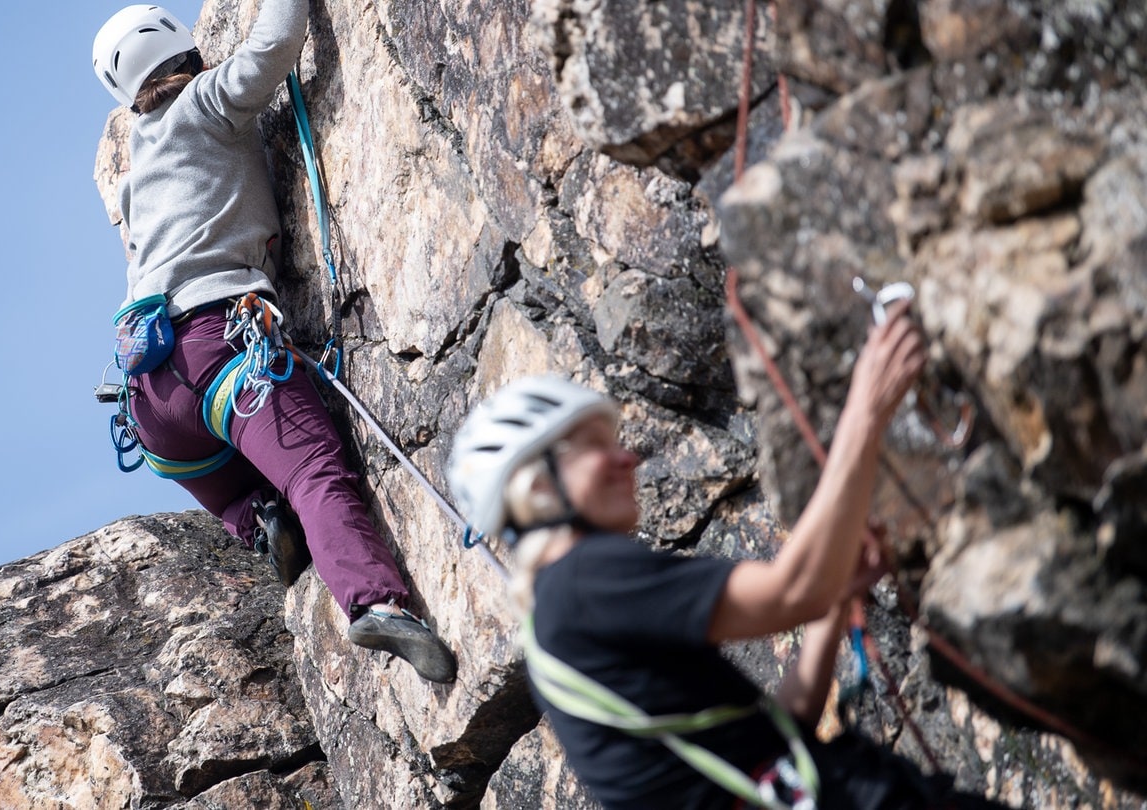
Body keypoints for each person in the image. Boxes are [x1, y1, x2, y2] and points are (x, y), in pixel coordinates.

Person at [447, 306, 1009, 808]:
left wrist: (835, 605)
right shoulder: (584, 582)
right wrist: (866, 407)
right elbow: (792, 592)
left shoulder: (561, 619)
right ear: (539, 489)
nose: (627, 459)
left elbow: (778, 732)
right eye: (594, 448)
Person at [90, 2, 454, 682]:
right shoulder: (204, 103)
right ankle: (374, 601)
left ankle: (255, 520)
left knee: (239, 488)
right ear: (177, 47)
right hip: (221, 346)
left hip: (152, 400)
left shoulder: (137, 171)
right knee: (313, 467)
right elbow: (277, 41)